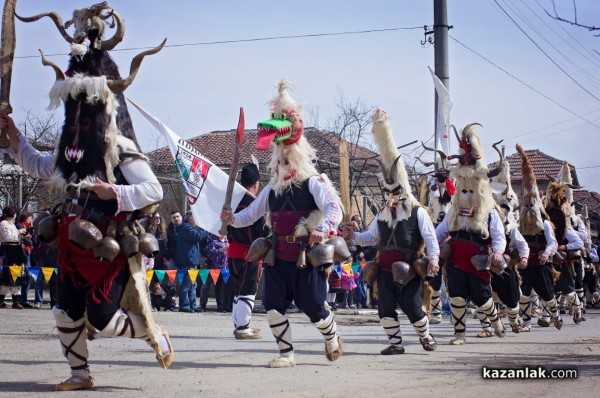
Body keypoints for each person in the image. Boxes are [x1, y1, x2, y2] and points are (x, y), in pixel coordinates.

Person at [0, 3, 172, 390]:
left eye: (85, 103)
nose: (78, 113)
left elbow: (153, 190)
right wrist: (14, 139)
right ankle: (80, 374)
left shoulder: (119, 143)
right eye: (73, 104)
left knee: (105, 320)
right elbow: (42, 166)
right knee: (64, 312)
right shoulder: (70, 145)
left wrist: (111, 190)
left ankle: (149, 331)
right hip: (69, 242)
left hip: (105, 245)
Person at [221, 81, 344, 367]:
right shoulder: (271, 190)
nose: (284, 162)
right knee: (274, 309)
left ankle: (332, 335)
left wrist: (321, 229)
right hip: (277, 256)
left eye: (289, 157)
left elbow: (333, 209)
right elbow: (249, 215)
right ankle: (287, 355)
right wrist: (231, 219)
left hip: (305, 256)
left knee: (315, 310)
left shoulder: (313, 182)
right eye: (281, 158)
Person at [343, 109, 440, 354]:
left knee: (411, 306)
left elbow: (430, 238)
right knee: (384, 308)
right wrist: (352, 236)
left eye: (394, 192)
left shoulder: (417, 212)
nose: (391, 197)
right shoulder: (382, 215)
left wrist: (435, 259)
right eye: (388, 193)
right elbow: (371, 238)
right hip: (384, 268)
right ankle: (395, 344)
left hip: (409, 267)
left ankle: (426, 337)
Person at [435, 123, 506, 345]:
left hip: (478, 259)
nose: (466, 192)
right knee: (456, 298)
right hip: (455, 259)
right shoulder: (453, 211)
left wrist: (498, 252)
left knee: (483, 299)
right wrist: (430, 248)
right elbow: (439, 232)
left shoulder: (489, 211)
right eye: (463, 188)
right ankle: (459, 334)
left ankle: (495, 321)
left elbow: (498, 235)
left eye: (470, 188)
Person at [514, 145, 563, 332]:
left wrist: (546, 253)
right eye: (525, 204)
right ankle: (526, 324)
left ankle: (555, 315)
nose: (527, 207)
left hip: (541, 264)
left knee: (548, 295)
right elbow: (515, 243)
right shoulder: (520, 226)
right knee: (525, 295)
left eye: (530, 204)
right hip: (526, 265)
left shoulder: (545, 224)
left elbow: (553, 243)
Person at [227, 162, 268, 338]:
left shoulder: (231, 201)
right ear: (256, 184)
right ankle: (243, 327)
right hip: (249, 252)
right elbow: (263, 231)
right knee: (248, 289)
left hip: (233, 251)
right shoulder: (255, 204)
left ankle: (238, 324)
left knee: (238, 289)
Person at [175, 212, 208, 312]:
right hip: (188, 261)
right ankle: (184, 306)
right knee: (186, 285)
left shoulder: (188, 228)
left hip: (192, 261)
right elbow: (197, 236)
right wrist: (205, 229)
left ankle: (192, 305)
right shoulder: (185, 228)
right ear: (190, 218)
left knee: (193, 285)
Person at [0, 206, 27, 309]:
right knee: (7, 274)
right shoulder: (3, 224)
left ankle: (16, 300)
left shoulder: (12, 224)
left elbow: (15, 237)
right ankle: (1, 300)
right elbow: (8, 237)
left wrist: (23, 235)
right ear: (13, 214)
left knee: (17, 273)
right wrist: (18, 232)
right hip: (8, 250)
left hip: (16, 249)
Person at [199, 233, 229, 312]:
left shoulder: (227, 240)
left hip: (224, 267)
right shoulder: (212, 239)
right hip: (212, 267)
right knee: (206, 286)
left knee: (220, 288)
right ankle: (202, 305)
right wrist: (220, 250)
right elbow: (209, 253)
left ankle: (220, 306)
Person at [17, 212, 34, 308]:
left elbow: (32, 241)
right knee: (24, 276)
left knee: (28, 277)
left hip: (27, 253)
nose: (31, 220)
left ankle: (24, 299)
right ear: (25, 218)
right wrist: (28, 237)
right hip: (21, 254)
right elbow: (24, 240)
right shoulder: (20, 225)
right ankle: (20, 299)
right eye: (30, 218)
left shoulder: (29, 228)